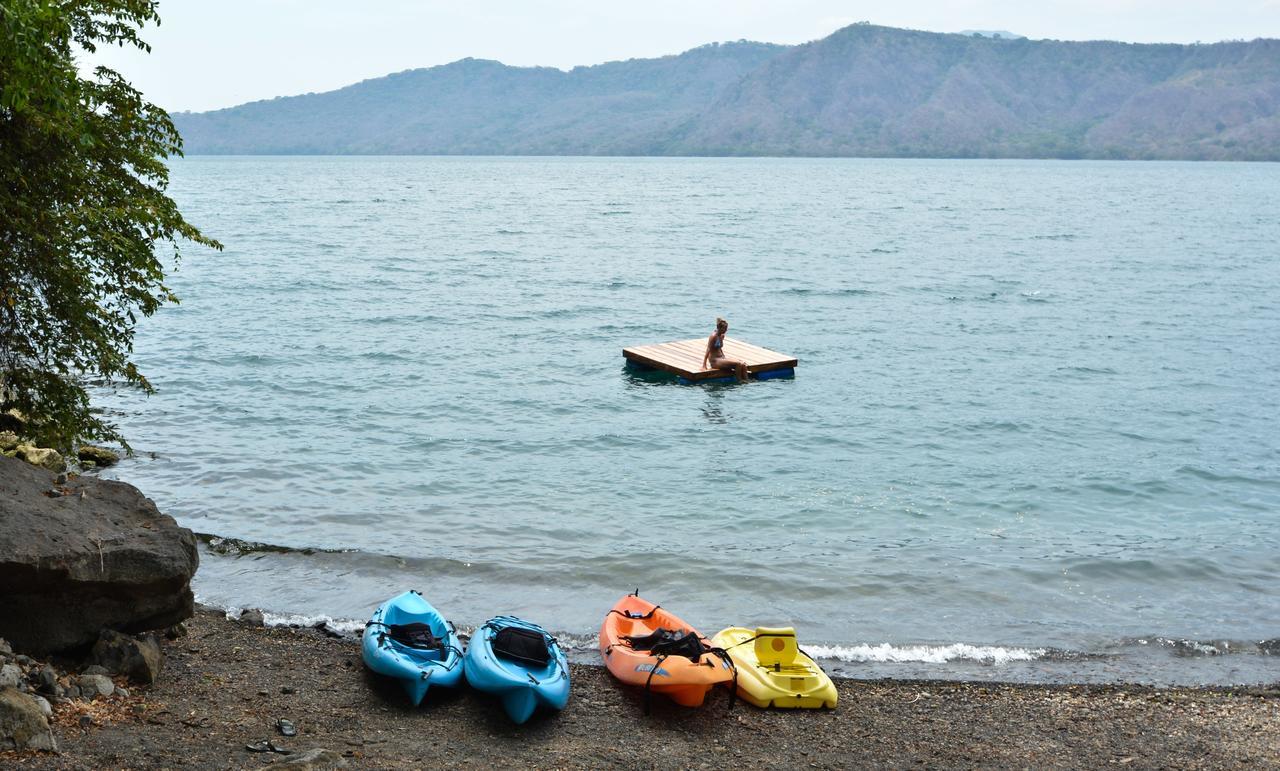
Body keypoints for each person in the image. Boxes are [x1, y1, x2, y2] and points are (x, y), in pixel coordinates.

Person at [702, 317, 748, 382]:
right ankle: (739, 381)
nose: (726, 330)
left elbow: (719, 348)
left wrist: (724, 357)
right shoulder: (713, 336)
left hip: (722, 359)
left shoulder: (721, 336)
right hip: (715, 361)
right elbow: (708, 349)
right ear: (719, 328)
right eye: (725, 328)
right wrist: (704, 365)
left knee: (743, 364)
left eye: (726, 328)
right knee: (738, 364)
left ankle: (746, 381)